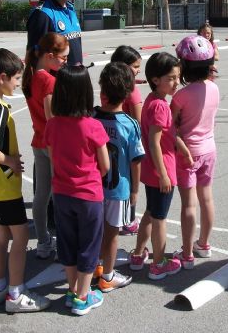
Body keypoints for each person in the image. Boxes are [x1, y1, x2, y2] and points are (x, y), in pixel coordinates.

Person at [0, 49, 50, 313]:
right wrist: (10, 161)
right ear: (2, 77)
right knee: (21, 237)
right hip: (3, 188)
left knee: (2, 235)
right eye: (16, 78)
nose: (18, 83)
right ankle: (16, 293)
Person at [44, 65, 109, 315]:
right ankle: (83, 296)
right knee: (90, 245)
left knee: (68, 243)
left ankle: (73, 290)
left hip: (61, 193)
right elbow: (104, 165)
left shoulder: (52, 125)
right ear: (85, 93)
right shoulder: (92, 126)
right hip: (89, 194)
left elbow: (52, 160)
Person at [130, 52, 191, 281]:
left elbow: (166, 135)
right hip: (161, 170)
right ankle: (158, 263)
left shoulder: (153, 100)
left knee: (151, 212)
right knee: (160, 218)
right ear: (156, 79)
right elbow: (155, 143)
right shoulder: (160, 107)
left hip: (153, 169)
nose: (176, 82)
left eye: (178, 77)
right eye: (172, 78)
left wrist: (182, 148)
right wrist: (164, 174)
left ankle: (138, 254)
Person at [93, 62, 145, 292]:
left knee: (95, 229)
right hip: (118, 188)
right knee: (112, 233)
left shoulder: (91, 117)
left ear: (102, 90)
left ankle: (95, 266)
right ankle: (108, 275)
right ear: (127, 94)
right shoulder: (130, 124)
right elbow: (136, 161)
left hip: (93, 186)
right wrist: (135, 189)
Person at [171, 35, 220, 269]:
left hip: (187, 153)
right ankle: (204, 244)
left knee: (189, 205)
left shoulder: (180, 96)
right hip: (209, 149)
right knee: (206, 199)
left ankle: (187, 253)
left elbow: (173, 126)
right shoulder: (214, 88)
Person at [21, 32, 69, 260]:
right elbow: (52, 119)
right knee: (60, 196)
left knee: (41, 195)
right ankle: (61, 242)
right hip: (52, 145)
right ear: (50, 56)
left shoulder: (31, 76)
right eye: (63, 58)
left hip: (38, 141)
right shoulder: (48, 80)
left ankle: (42, 241)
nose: (65, 62)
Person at [107, 45, 143, 235]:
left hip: (108, 141)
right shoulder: (133, 90)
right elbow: (138, 120)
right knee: (127, 182)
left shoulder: (107, 85)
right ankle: (128, 219)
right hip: (125, 141)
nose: (138, 71)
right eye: (135, 66)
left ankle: (113, 216)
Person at [26, 0, 84, 65]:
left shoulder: (70, 8)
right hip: (56, 81)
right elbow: (34, 58)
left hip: (74, 79)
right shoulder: (42, 14)